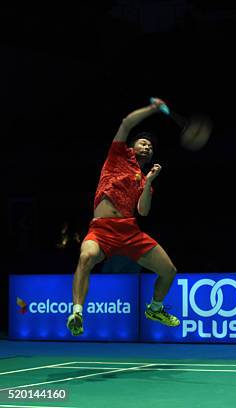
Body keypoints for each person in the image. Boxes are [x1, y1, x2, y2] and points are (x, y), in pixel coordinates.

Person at [67, 98, 180, 336]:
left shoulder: (144, 177)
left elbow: (143, 211)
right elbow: (127, 122)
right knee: (86, 257)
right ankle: (77, 311)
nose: (147, 147)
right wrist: (152, 109)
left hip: (129, 231)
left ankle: (156, 308)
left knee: (169, 271)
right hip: (101, 230)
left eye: (151, 146)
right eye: (143, 142)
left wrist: (149, 182)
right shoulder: (118, 155)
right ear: (131, 146)